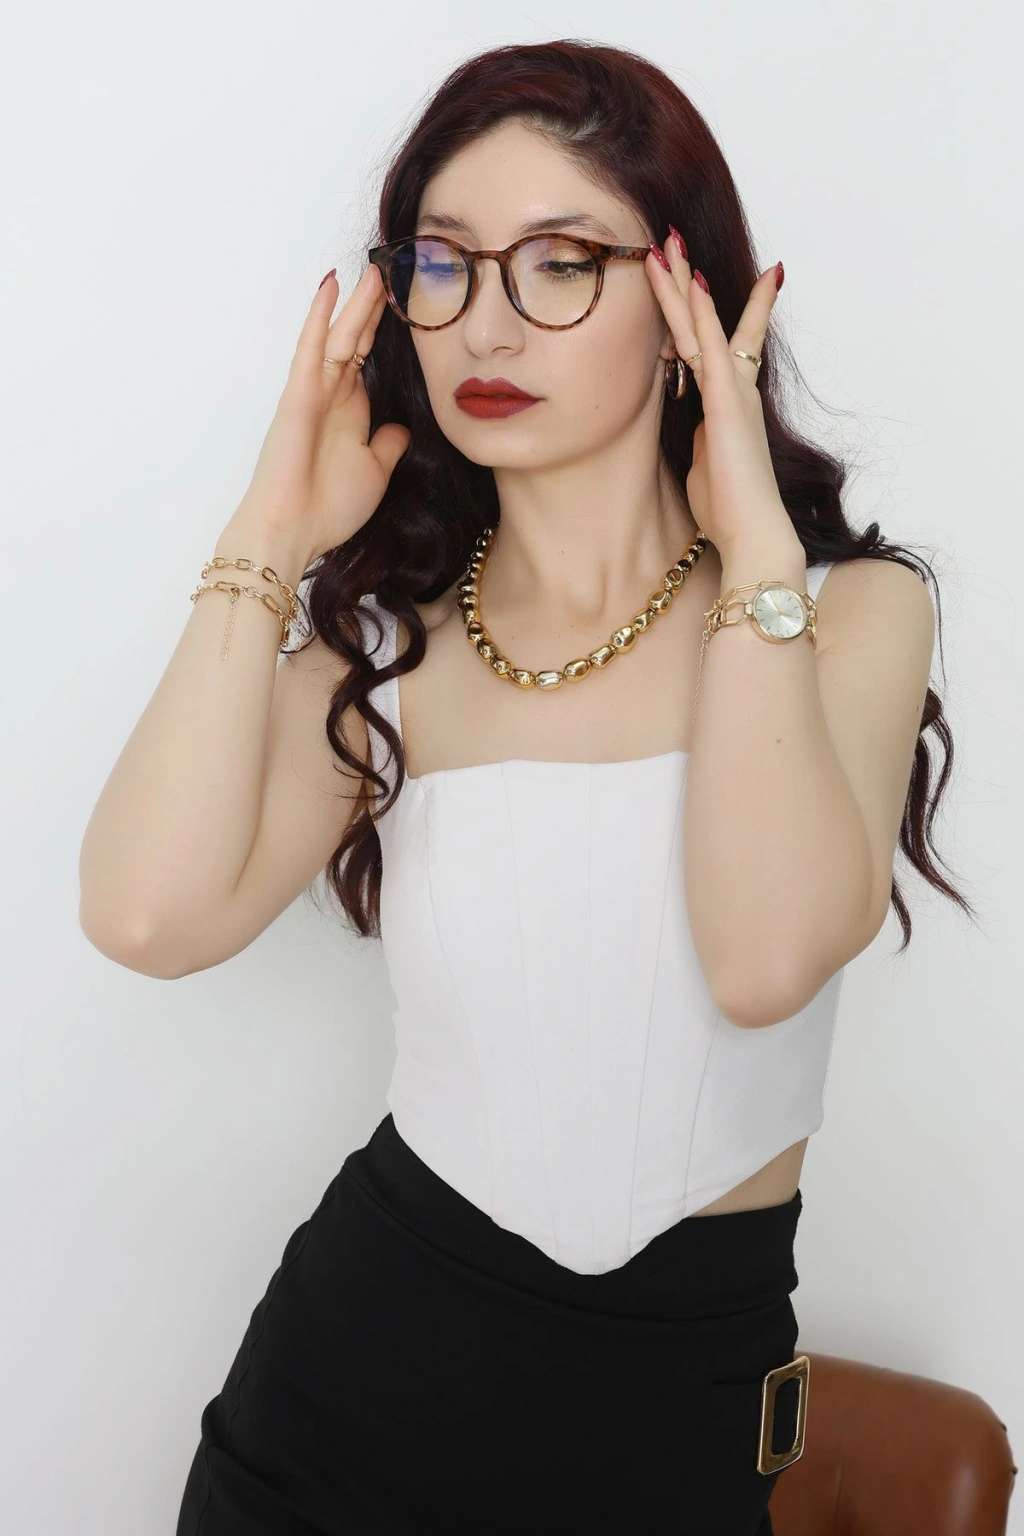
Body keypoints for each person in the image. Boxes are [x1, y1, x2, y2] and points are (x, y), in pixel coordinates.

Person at [79, 39, 974, 1536]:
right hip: (340, 1407)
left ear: (686, 300)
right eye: (441, 265)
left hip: (672, 1428)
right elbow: (146, 917)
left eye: (560, 264)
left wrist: (754, 546)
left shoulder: (842, 613)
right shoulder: (387, 650)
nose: (486, 323)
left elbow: (764, 959)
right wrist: (269, 535)